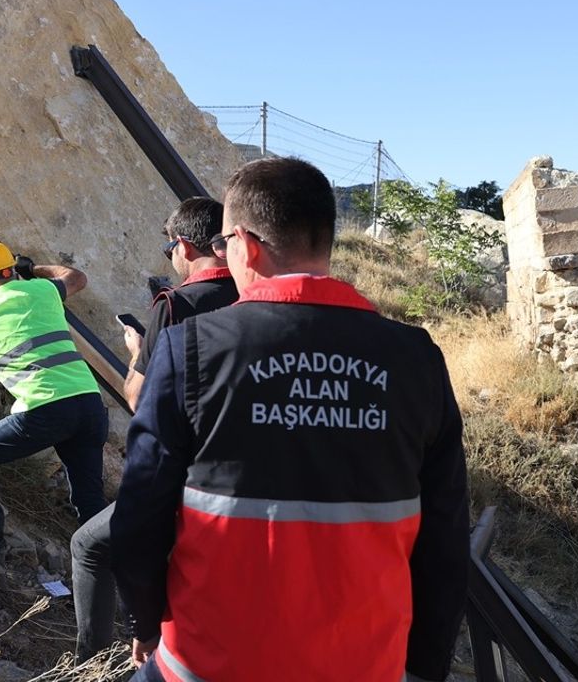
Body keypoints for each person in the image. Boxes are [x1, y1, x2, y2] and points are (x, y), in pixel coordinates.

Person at [110, 158, 469, 682]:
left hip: (210, 666)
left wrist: (146, 622)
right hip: (365, 667)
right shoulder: (417, 359)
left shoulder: (190, 349)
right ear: (324, 242)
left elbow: (140, 515)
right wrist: (422, 669)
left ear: (244, 244)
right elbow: (445, 541)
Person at [71, 196, 238, 661]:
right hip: (245, 475)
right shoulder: (252, 297)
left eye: (169, 251)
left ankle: (95, 665)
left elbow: (140, 397)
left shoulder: (176, 303)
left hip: (185, 475)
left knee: (88, 545)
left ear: (183, 245)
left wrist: (136, 353)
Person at [0, 241, 109, 553]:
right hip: (89, 403)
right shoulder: (43, 290)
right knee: (90, 500)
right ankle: (112, 572)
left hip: (45, 411)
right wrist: (32, 269)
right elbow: (76, 277)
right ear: (13, 272)